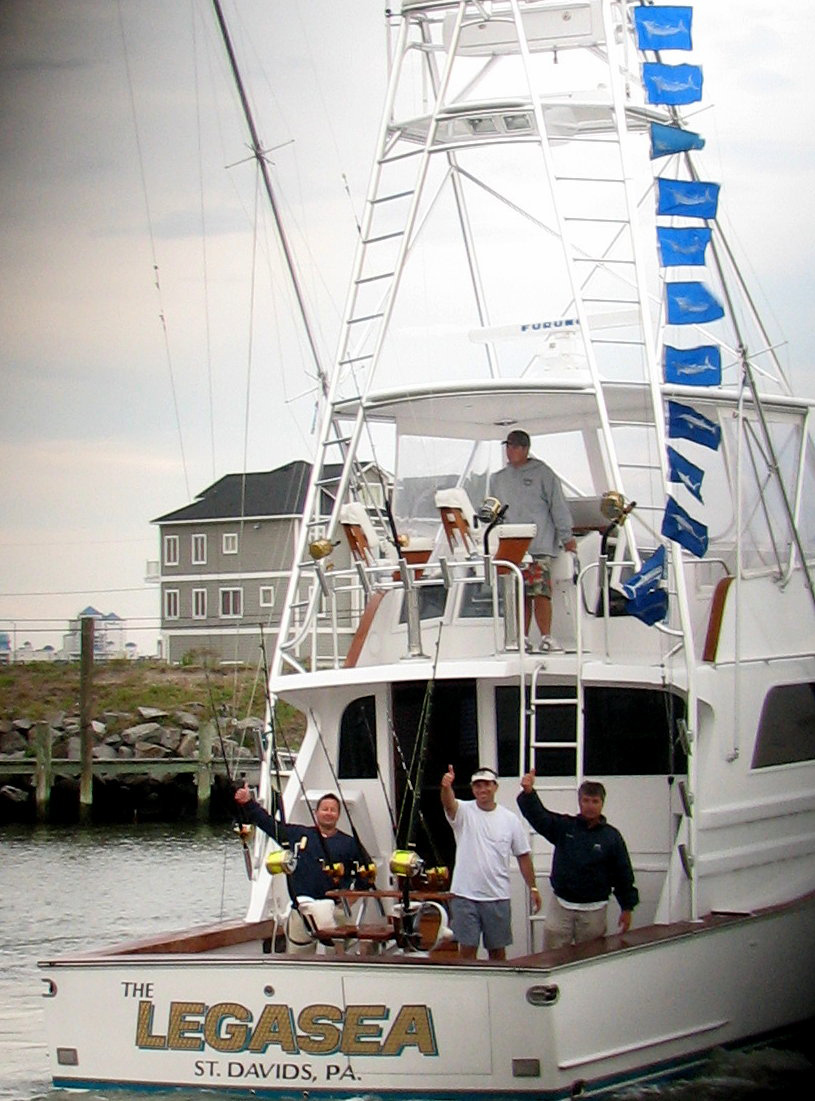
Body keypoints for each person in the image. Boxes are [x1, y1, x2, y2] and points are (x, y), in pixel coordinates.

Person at [234, 783, 367, 951]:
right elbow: (269, 825)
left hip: (335, 912)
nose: (328, 813)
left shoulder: (350, 843)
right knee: (298, 957)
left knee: (338, 958)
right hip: (301, 911)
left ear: (338, 815)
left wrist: (351, 898)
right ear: (316, 813)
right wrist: (248, 803)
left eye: (333, 810)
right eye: (324, 809)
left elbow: (367, 873)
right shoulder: (297, 834)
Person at [517, 771, 638, 949]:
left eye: (595, 801)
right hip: (561, 906)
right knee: (552, 957)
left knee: (589, 960)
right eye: (586, 801)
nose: (590, 806)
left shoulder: (611, 836)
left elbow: (623, 874)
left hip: (594, 910)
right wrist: (529, 794)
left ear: (602, 803)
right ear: (580, 802)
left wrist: (627, 908)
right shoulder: (565, 827)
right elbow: (540, 818)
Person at [441, 764, 541, 960]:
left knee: (497, 952)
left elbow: (523, 856)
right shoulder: (463, 810)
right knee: (467, 950)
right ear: (472, 789)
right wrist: (446, 787)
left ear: (495, 787)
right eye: (477, 785)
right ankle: (468, 990)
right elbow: (448, 804)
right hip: (464, 895)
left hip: (497, 896)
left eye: (487, 784)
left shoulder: (510, 819)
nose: (482, 789)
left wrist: (534, 888)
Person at [490, 428, 577, 652]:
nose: (511, 450)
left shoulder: (544, 474)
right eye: (508, 446)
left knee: (540, 591)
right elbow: (492, 512)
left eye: (516, 446)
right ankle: (522, 637)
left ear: (526, 449)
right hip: (511, 547)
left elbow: (558, 506)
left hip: (539, 546)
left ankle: (547, 637)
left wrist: (567, 538)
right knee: (518, 593)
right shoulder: (497, 479)